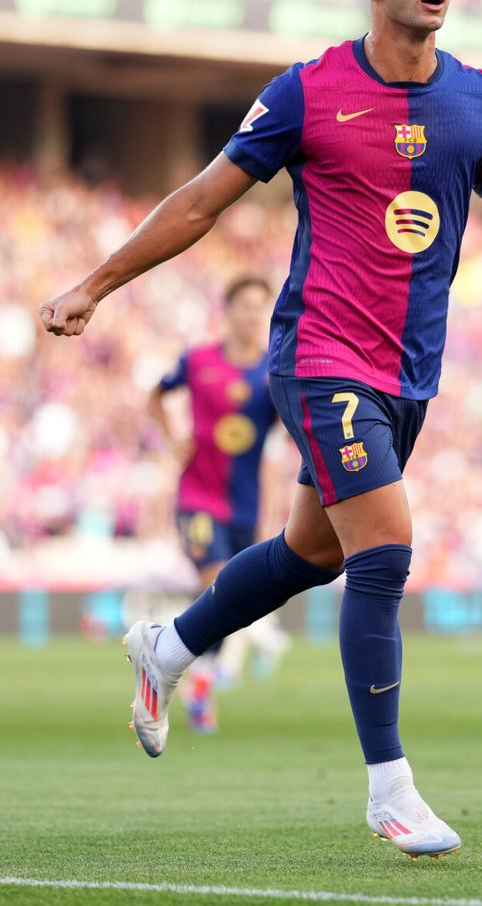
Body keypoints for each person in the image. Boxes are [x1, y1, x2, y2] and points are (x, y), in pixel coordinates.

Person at [40, 0, 482, 858]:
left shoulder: (481, 101)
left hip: (411, 375)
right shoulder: (308, 91)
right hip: (320, 358)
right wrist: (94, 286)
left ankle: (169, 646)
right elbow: (201, 200)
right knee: (386, 548)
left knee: (311, 551)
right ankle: (389, 790)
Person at [146, 275, 287, 732]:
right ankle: (176, 665)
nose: (252, 315)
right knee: (219, 583)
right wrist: (171, 440)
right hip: (197, 498)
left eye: (260, 307)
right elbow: (155, 395)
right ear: (227, 310)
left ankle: (199, 682)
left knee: (233, 599)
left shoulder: (273, 374)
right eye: (245, 305)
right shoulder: (197, 359)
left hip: (244, 507)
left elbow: (284, 437)